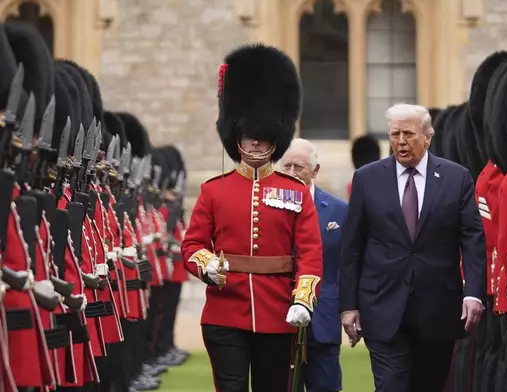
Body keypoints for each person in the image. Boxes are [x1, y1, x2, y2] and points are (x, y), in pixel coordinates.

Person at [181, 44, 323, 392]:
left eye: (263, 138)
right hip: (225, 311)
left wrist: (303, 297)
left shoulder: (295, 190)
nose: (257, 143)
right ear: (237, 136)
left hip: (278, 311)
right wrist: (207, 265)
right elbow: (193, 244)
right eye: (250, 137)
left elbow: (310, 252)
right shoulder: (215, 190)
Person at [339, 103, 486, 392]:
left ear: (428, 137)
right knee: (390, 385)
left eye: (408, 134)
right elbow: (352, 246)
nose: (401, 142)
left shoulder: (456, 178)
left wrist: (473, 294)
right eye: (395, 135)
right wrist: (348, 306)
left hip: (438, 308)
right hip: (381, 305)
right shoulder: (368, 178)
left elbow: (472, 238)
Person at [280, 138, 347, 392]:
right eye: (287, 167)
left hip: (324, 317)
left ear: (315, 171)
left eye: (299, 167)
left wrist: (350, 309)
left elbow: (347, 265)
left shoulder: (339, 211)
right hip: (279, 314)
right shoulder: (267, 208)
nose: (292, 173)